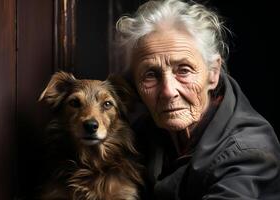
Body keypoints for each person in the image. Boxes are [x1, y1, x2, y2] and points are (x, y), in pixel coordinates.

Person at [115, 0, 280, 199]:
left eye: (184, 70)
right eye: (150, 74)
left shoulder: (248, 150)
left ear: (213, 73)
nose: (168, 91)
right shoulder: (140, 131)